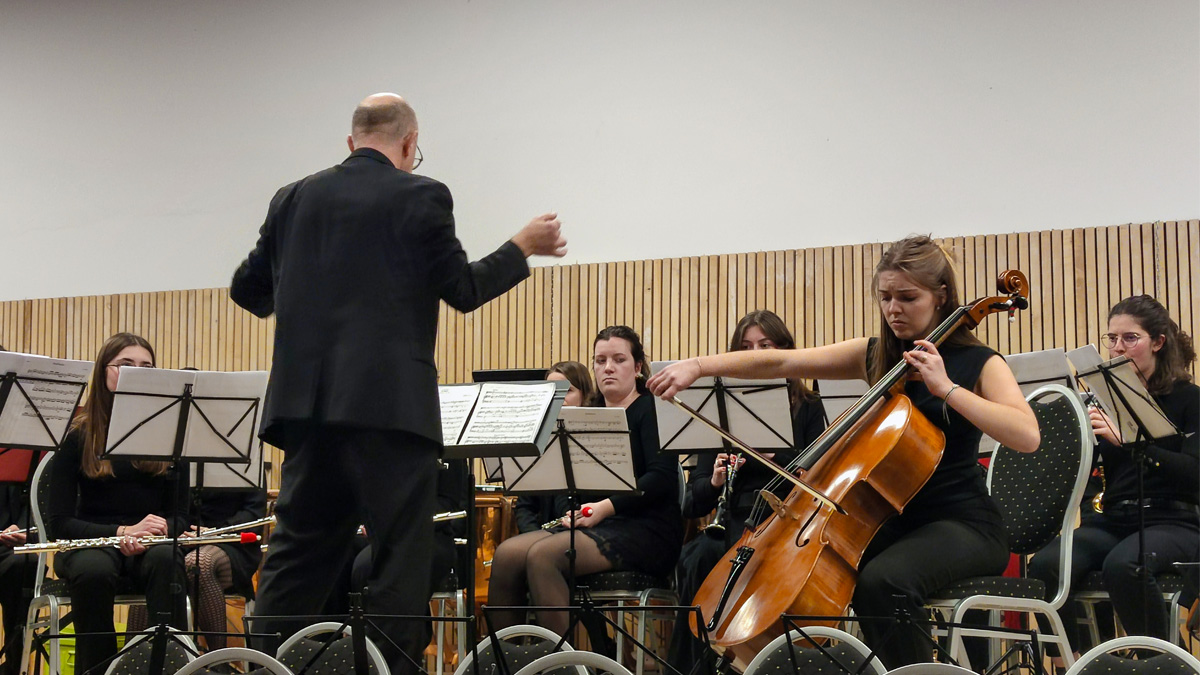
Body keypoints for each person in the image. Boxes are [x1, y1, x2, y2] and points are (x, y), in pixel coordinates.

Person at [229, 92, 566, 674]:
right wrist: (522, 247)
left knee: (295, 563)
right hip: (392, 413)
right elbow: (462, 290)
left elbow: (246, 291)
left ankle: (264, 667)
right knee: (399, 563)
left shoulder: (293, 198)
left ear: (351, 141)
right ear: (409, 144)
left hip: (309, 413)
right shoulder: (423, 194)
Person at [649, 235, 1039, 668]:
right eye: (886, 297)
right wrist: (698, 366)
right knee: (817, 575)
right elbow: (781, 363)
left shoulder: (979, 362)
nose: (894, 309)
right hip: (891, 522)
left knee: (884, 581)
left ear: (941, 296)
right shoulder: (877, 357)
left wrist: (945, 388)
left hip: (963, 524)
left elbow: (1026, 434)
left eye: (908, 297)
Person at [1028, 295, 1198, 657]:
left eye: (1130, 338)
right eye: (1112, 339)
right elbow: (1087, 478)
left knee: (1124, 566)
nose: (1118, 349)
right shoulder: (1104, 401)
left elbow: (1194, 475)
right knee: (1045, 566)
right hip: (1116, 518)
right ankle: (1082, 661)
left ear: (1158, 341)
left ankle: (1167, 663)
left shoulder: (1189, 399)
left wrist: (1135, 444)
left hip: (1175, 520)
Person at [487, 327, 684, 638]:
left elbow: (661, 479)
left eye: (619, 359)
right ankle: (513, 663)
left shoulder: (652, 408)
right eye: (600, 360)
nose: (608, 367)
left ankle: (569, 668)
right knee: (508, 555)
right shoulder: (587, 415)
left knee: (543, 556)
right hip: (599, 523)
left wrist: (604, 508)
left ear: (637, 368)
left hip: (647, 528)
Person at [667, 310, 827, 674]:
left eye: (764, 346)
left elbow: (816, 479)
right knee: (697, 557)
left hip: (787, 522)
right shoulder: (721, 409)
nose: (754, 354)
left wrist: (776, 456)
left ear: (783, 351)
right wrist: (715, 481)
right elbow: (693, 503)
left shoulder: (808, 407)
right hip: (735, 519)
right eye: (745, 347)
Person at [45, 333, 188, 675]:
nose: (136, 372)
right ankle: (98, 670)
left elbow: (181, 515)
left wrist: (159, 529)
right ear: (104, 371)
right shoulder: (76, 435)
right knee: (93, 570)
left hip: (151, 541)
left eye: (146, 366)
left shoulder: (171, 433)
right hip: (90, 540)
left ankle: (168, 666)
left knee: (167, 559)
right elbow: (60, 523)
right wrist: (122, 531)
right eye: (126, 365)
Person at [511, 361, 596, 536]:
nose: (558, 397)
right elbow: (525, 506)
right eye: (552, 391)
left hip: (585, 532)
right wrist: (532, 535)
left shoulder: (595, 442)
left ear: (585, 395)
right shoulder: (539, 440)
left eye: (567, 390)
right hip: (545, 534)